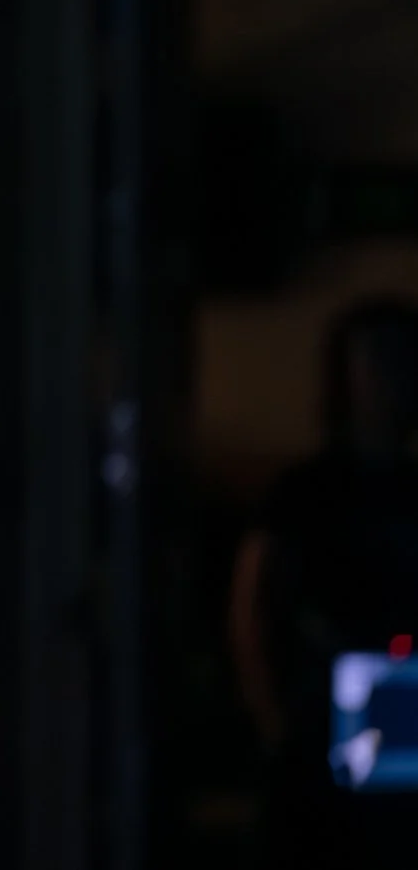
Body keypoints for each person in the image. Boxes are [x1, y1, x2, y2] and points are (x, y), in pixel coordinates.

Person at [228, 297, 418, 866]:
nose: (392, 379)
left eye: (404, 361)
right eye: (376, 360)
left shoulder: (409, 490)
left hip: (402, 712)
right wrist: (274, 718)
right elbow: (253, 605)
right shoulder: (303, 493)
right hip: (317, 724)